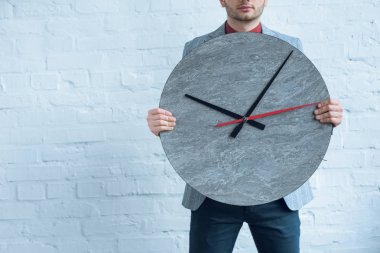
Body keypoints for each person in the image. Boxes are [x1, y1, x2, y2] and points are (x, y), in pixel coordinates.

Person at [147, 0, 344, 252]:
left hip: (278, 190)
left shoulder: (291, 46)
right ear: (221, 0)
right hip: (212, 190)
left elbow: (300, 112)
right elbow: (188, 115)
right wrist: (161, 125)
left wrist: (327, 118)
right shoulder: (196, 48)